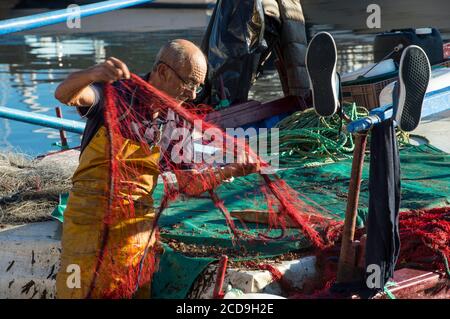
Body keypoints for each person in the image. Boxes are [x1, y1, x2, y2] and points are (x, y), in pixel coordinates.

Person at [54, 39, 260, 299]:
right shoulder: (117, 94)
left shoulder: (174, 121)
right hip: (90, 222)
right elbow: (65, 94)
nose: (194, 94)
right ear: (163, 72)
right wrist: (93, 73)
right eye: (189, 83)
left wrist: (230, 170)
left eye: (199, 86)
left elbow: (187, 184)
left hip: (135, 231)